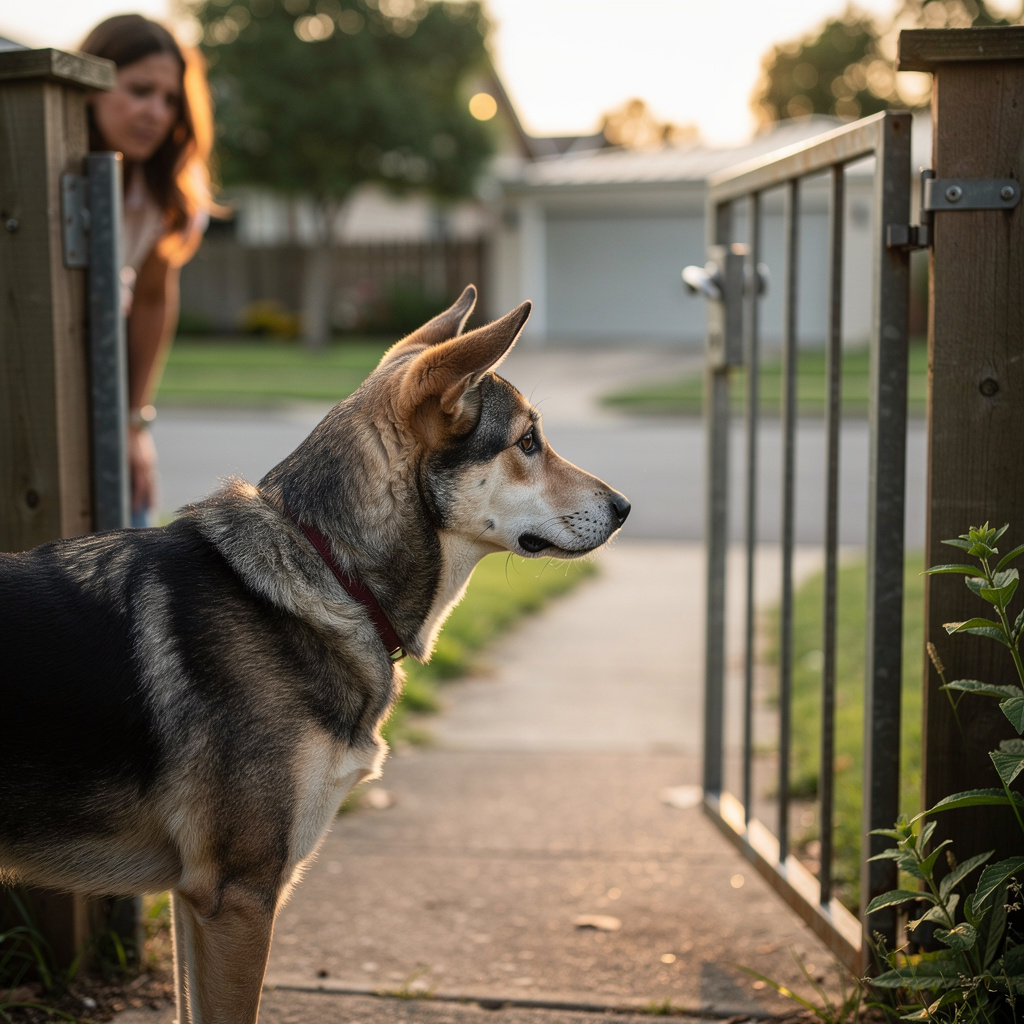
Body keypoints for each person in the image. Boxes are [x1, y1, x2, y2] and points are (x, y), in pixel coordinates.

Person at [78, 15, 216, 527]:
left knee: (131, 522)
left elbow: (154, 301)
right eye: (140, 91)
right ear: (90, 83)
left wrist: (136, 424)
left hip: (105, 389)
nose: (155, 113)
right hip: (42, 384)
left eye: (170, 99)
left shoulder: (164, 199)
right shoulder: (40, 170)